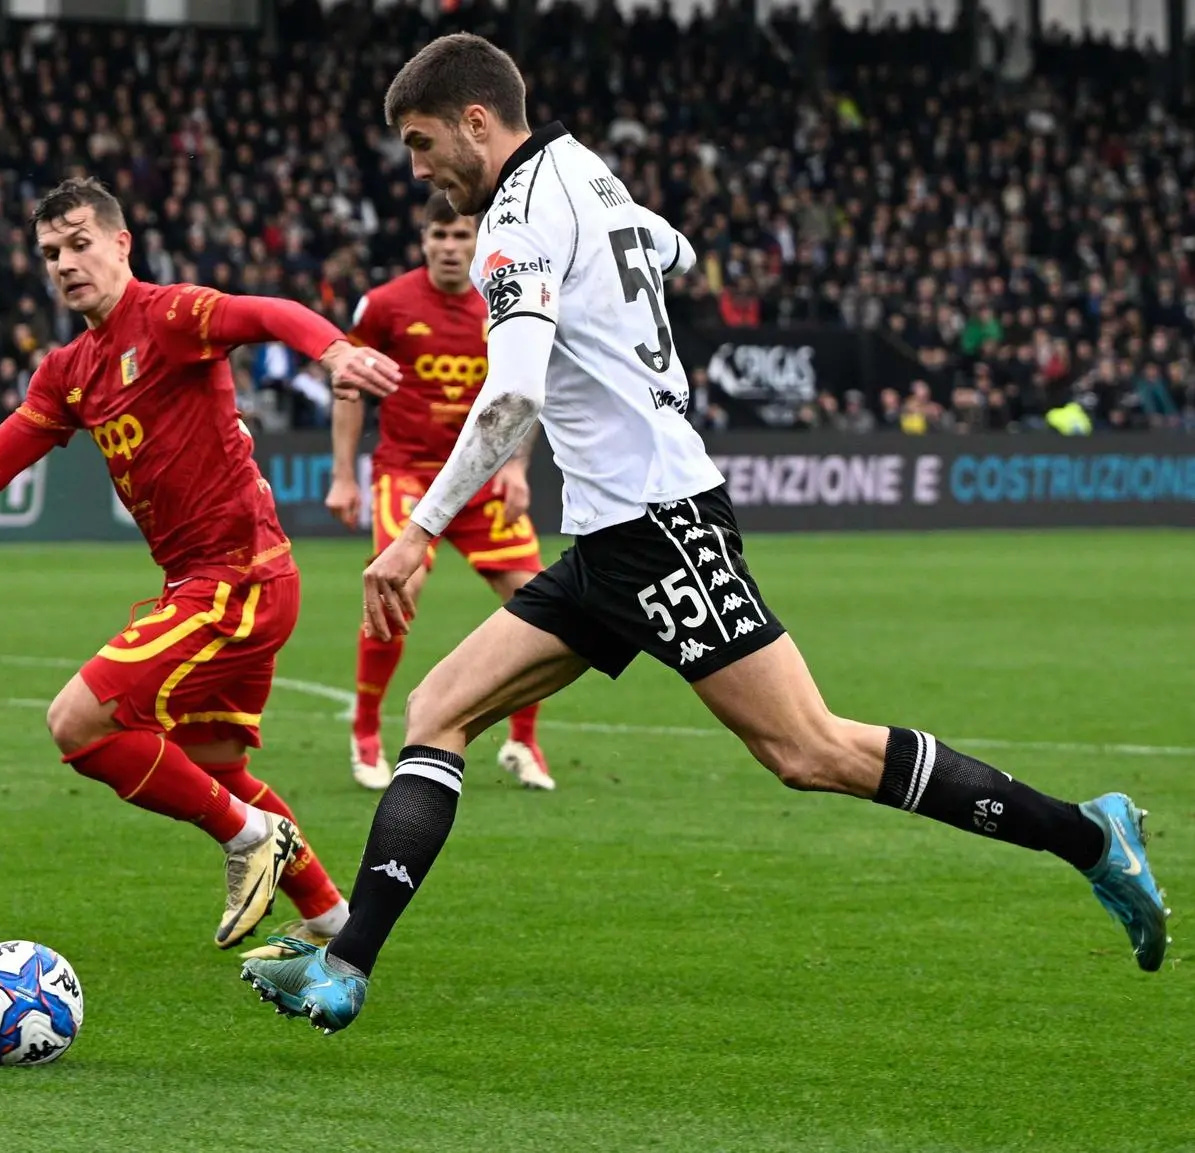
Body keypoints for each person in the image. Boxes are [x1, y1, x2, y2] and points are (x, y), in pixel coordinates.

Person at [240, 34, 1169, 1033]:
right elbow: (667, 244)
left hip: (661, 522)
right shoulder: (588, 173)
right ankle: (347, 966)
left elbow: (510, 390)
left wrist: (417, 530)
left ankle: (1086, 833)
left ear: (477, 120)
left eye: (423, 145)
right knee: (441, 705)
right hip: (610, 540)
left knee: (808, 749)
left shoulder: (514, 220)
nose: (417, 171)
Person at [0, 177, 402, 953]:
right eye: (51, 253)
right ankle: (334, 924)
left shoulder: (170, 315)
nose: (66, 263)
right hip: (206, 584)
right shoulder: (67, 369)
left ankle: (250, 838)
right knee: (216, 765)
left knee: (76, 723)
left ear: (120, 244)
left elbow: (266, 312)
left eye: (80, 244)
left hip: (238, 577)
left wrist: (335, 349)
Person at [326, 190, 552, 792]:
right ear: (424, 242)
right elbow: (349, 387)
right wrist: (345, 474)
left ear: (480, 242)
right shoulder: (387, 305)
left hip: (480, 475)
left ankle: (523, 742)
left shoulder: (505, 298)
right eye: (439, 237)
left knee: (538, 598)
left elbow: (529, 386)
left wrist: (516, 466)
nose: (450, 248)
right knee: (400, 585)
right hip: (408, 472)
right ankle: (367, 733)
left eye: (461, 237)